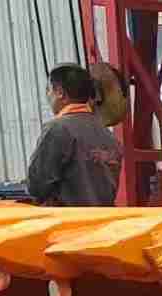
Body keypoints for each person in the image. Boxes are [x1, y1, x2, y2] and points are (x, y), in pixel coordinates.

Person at [26, 63, 121, 206]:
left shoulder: (58, 129)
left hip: (68, 218)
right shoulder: (108, 135)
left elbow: (36, 187)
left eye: (49, 90)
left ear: (59, 92)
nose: (48, 96)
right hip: (104, 218)